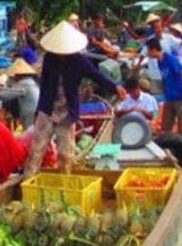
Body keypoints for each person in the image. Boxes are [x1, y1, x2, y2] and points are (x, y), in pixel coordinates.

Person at [25, 22, 124, 175]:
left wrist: (115, 87)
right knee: (36, 150)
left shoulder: (79, 61)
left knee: (66, 154)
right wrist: (38, 110)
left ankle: (65, 181)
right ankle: (28, 180)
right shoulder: (49, 58)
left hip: (67, 112)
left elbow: (96, 76)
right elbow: (44, 84)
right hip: (47, 109)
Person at [146, 38, 182, 135]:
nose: (147, 53)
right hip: (169, 98)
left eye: (148, 50)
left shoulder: (170, 59)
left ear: (154, 50)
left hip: (179, 97)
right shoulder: (159, 62)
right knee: (165, 129)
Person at [6, 58, 39, 128]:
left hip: (30, 113)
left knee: (29, 132)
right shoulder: (30, 81)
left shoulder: (23, 83)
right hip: (34, 111)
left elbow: (6, 95)